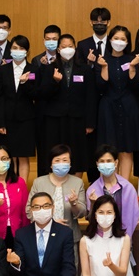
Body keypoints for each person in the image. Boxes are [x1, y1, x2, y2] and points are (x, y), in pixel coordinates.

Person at [37, 33, 97, 175]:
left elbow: (91, 97)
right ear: (58, 49)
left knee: (77, 155)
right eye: (64, 46)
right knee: (56, 153)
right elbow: (42, 94)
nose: (67, 49)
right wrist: (54, 82)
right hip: (54, 119)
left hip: (77, 119)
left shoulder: (85, 69)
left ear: (75, 48)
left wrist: (90, 123)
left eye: (70, 46)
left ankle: (75, 187)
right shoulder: (49, 68)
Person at [0, 34, 48, 182]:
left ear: (27, 52)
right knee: (8, 156)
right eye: (15, 48)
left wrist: (24, 84)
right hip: (7, 119)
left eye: (21, 48)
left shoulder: (34, 69)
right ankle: (10, 186)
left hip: (26, 119)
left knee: (23, 156)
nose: (18, 51)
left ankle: (21, 187)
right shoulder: (2, 70)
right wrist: (0, 123)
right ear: (10, 50)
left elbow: (36, 94)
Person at [29, 145, 87, 240]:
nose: (61, 163)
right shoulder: (39, 183)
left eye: (65, 160)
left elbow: (82, 213)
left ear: (70, 164)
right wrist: (50, 223)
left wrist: (74, 204)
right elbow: (29, 210)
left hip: (70, 237)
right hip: (44, 235)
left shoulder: (77, 182)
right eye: (57, 160)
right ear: (51, 164)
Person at [85, 147, 139, 236]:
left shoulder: (128, 188)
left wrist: (126, 238)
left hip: (124, 237)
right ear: (97, 164)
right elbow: (90, 220)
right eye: (102, 161)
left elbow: (134, 216)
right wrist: (92, 204)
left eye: (109, 161)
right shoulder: (92, 189)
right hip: (100, 239)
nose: (105, 164)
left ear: (116, 163)